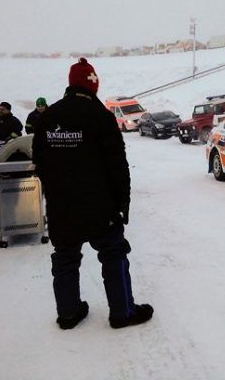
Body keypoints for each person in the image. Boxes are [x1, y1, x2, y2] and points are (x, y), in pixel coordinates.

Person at [32, 57, 153, 330]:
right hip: (99, 206)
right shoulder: (101, 117)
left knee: (65, 257)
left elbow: (38, 161)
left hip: (62, 207)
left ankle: (68, 313)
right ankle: (123, 313)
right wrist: (123, 203)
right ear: (92, 85)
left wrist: (54, 192)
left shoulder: (48, 116)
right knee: (113, 253)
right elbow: (118, 166)